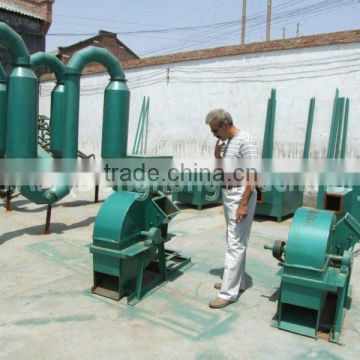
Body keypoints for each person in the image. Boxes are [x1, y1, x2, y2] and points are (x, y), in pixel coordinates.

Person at [205, 109, 258, 309]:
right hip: (228, 194)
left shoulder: (246, 140)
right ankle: (237, 282)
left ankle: (228, 293)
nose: (215, 135)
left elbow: (253, 173)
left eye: (215, 131)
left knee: (235, 243)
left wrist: (243, 203)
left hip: (240, 195)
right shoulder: (227, 144)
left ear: (225, 124)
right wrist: (217, 157)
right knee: (234, 240)